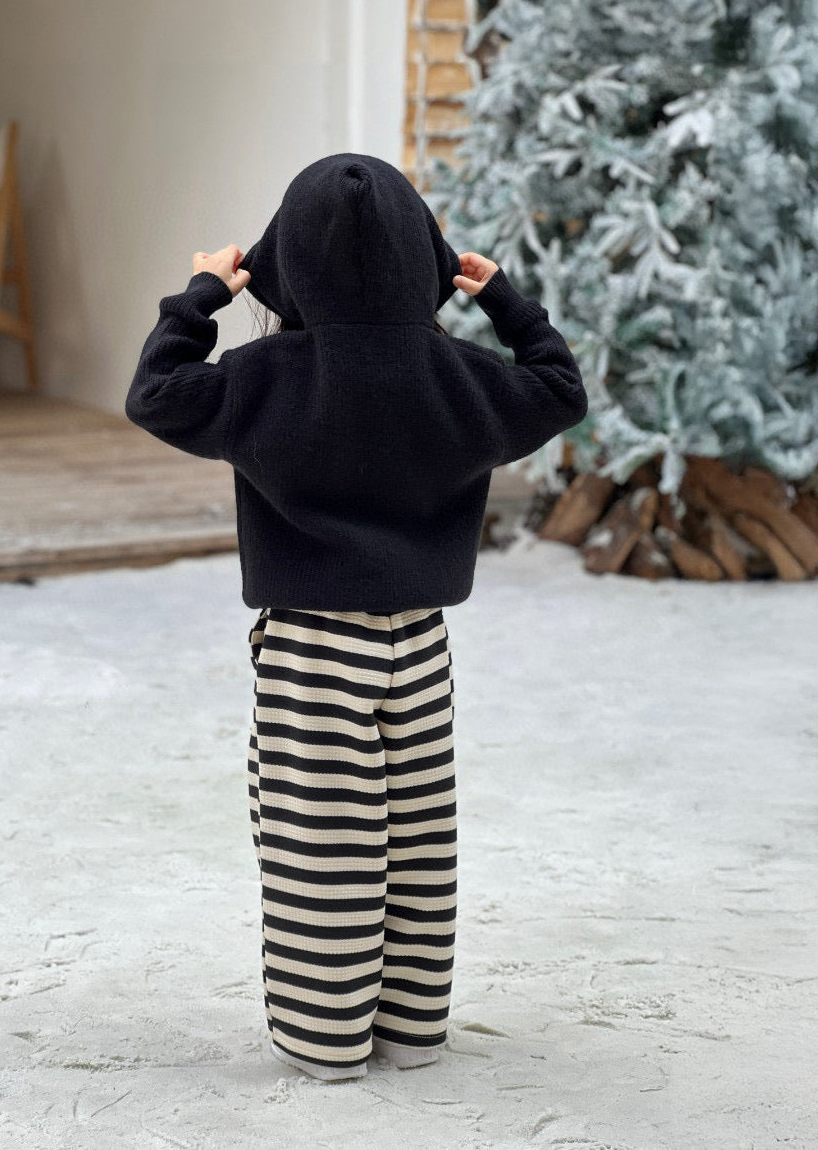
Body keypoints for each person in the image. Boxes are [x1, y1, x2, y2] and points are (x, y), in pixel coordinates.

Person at [125, 153, 587, 1083]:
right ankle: (412, 1028)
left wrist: (204, 293)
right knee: (418, 838)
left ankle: (325, 1037)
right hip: (419, 645)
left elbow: (156, 393)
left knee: (323, 849)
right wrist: (502, 299)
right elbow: (558, 386)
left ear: (286, 265)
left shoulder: (263, 377)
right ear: (427, 261)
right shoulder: (459, 376)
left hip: (311, 650)